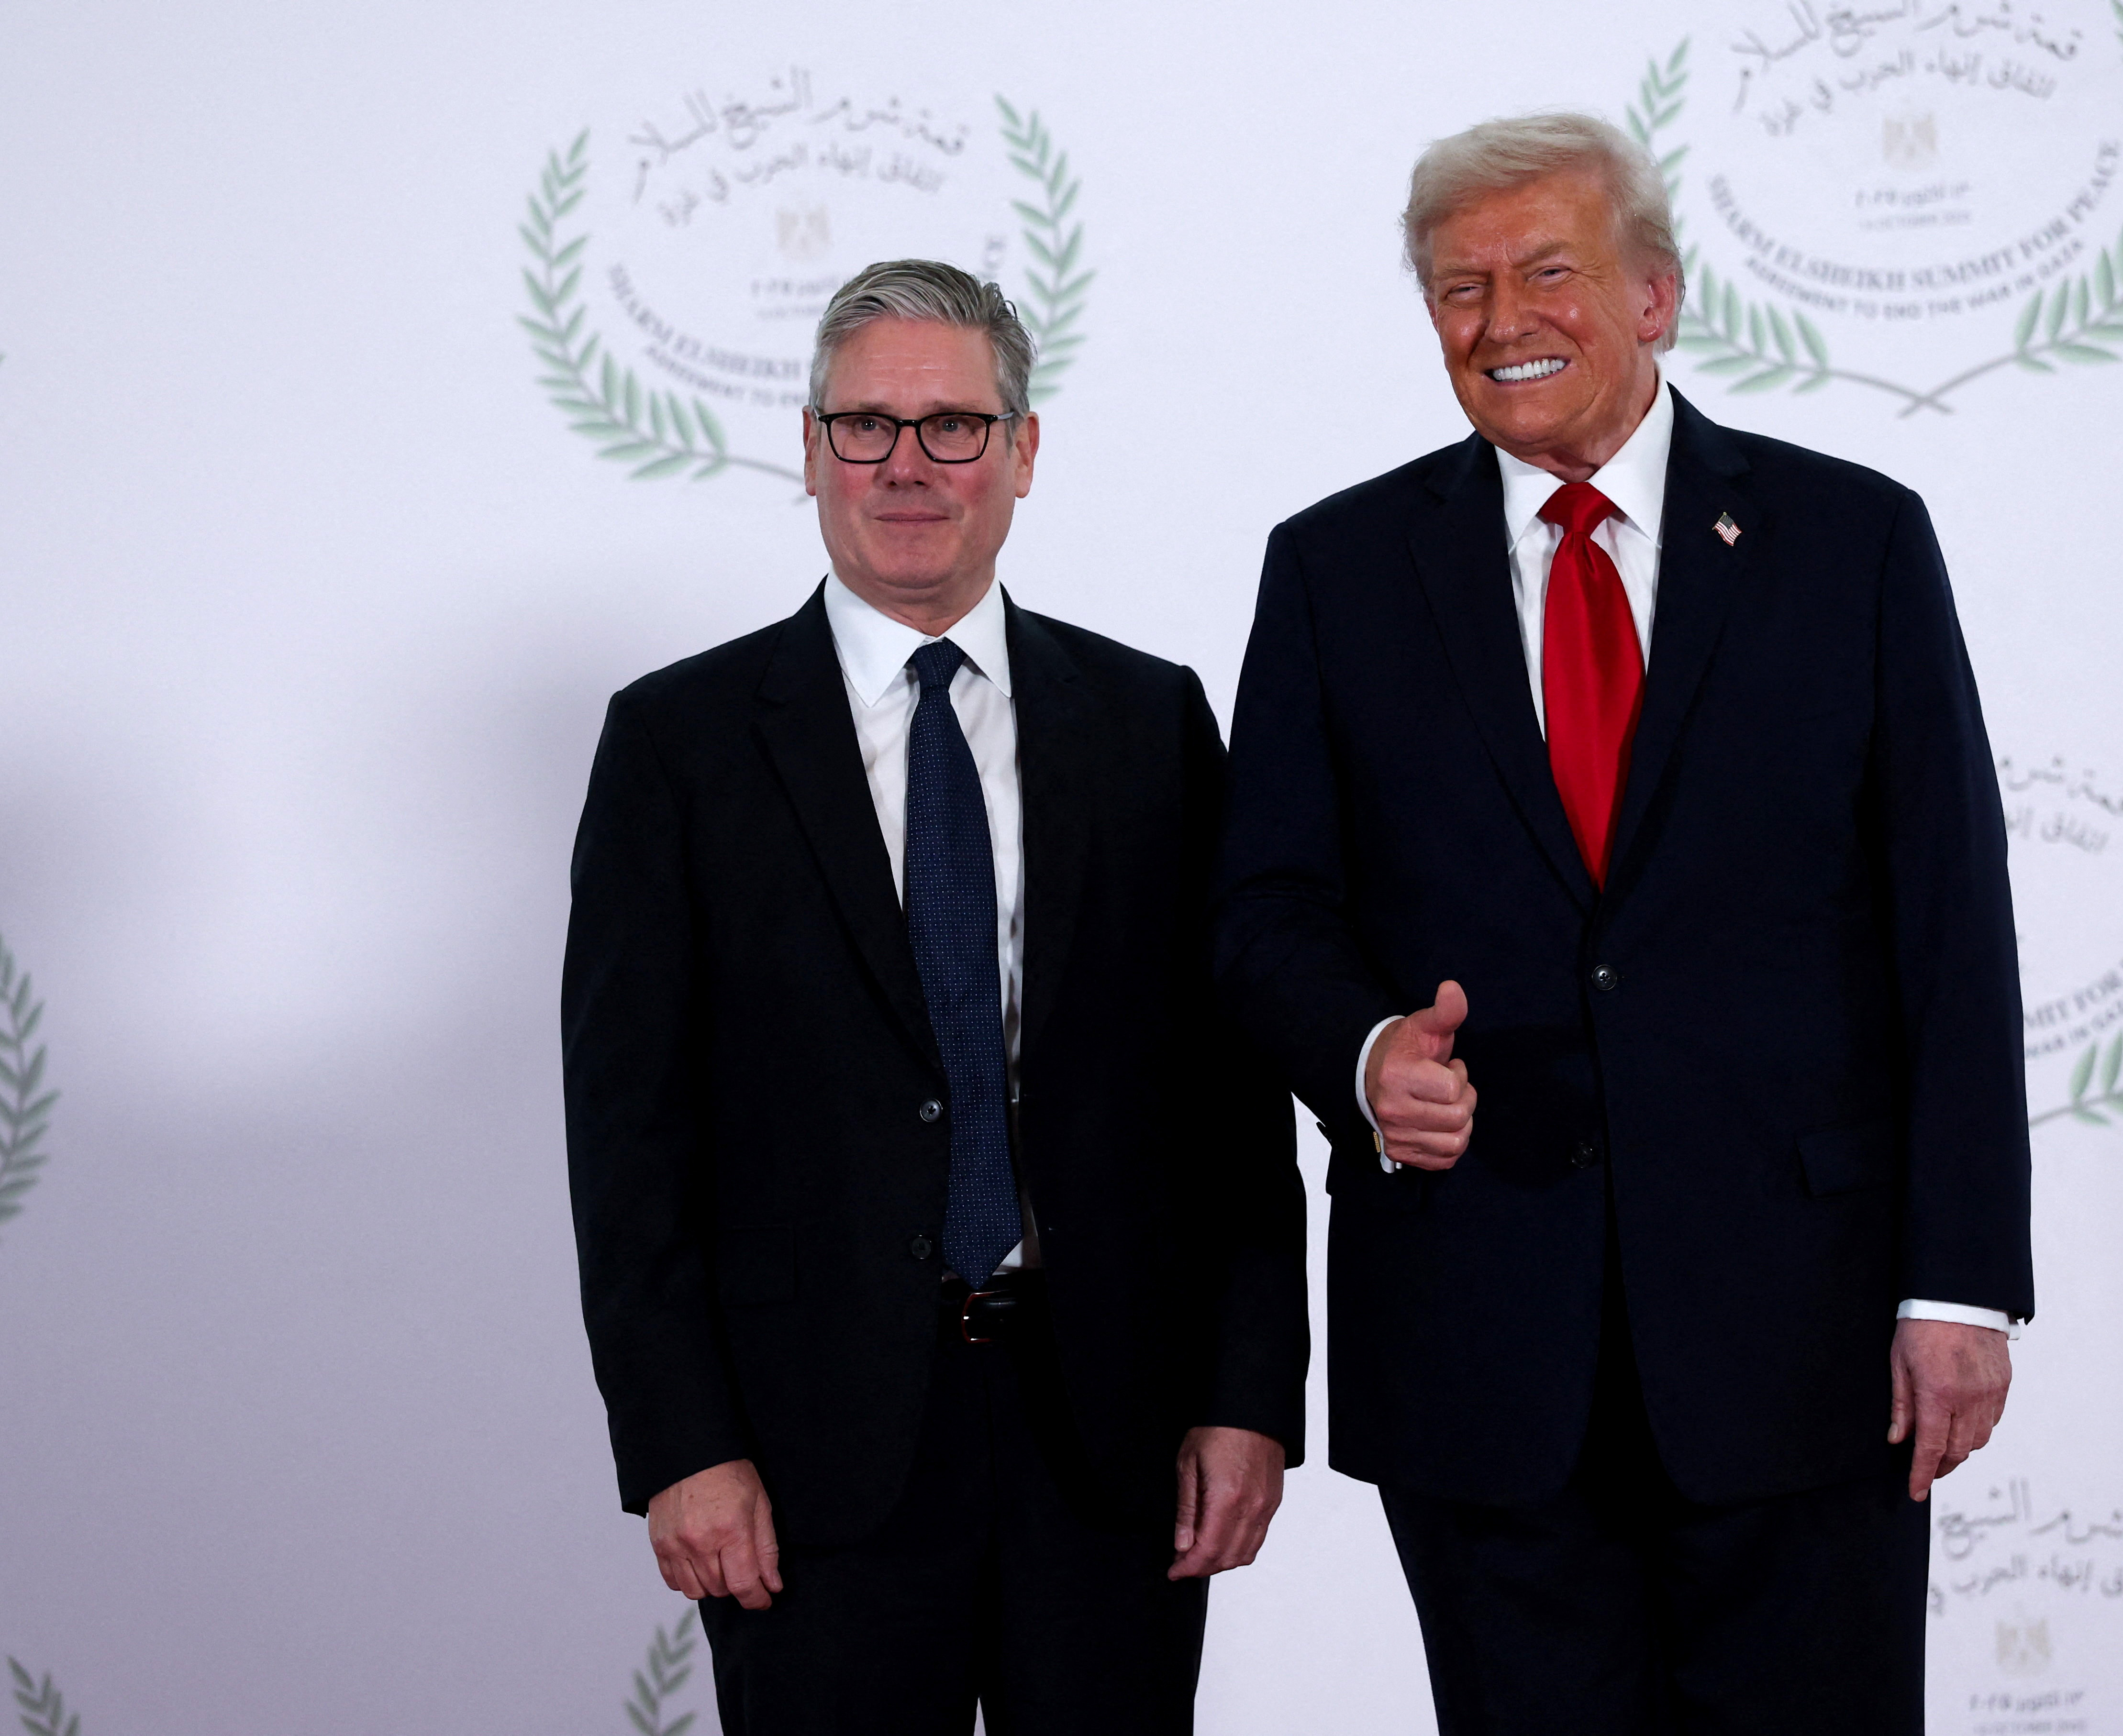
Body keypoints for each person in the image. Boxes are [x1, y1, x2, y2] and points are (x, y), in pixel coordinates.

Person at [1212, 116, 2033, 1732]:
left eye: (1548, 273)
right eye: (1459, 288)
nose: (1501, 320)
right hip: (1477, 1341)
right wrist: (1364, 1055)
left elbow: (1949, 927)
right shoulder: (1335, 569)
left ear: (1653, 295)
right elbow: (1264, 910)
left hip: (1803, 1340)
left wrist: (1956, 1287)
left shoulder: (1851, 541)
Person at [564, 258, 1305, 1735]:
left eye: (954, 425)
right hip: (804, 1458)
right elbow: (629, 1138)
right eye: (866, 426)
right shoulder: (678, 744)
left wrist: (1247, 1397)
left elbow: (1230, 1106)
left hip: (1110, 1446)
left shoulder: (1150, 724)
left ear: (1021, 451)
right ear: (810, 448)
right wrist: (681, 1445)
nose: (907, 465)